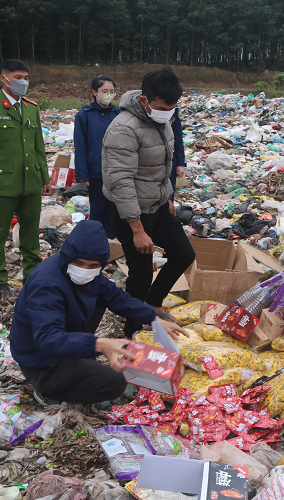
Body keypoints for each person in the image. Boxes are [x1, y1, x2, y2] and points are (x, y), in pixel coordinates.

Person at [10, 220, 189, 405]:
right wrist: (99, 344)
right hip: (40, 358)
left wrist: (153, 318)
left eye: (93, 265)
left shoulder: (90, 276)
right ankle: (49, 390)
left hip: (63, 338)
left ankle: (79, 359)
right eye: (79, 263)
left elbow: (115, 297)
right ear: (68, 256)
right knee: (113, 383)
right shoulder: (47, 284)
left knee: (99, 299)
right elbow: (47, 338)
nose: (85, 270)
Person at [102, 68, 196, 336]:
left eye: (172, 107)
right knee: (140, 274)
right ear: (144, 100)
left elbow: (162, 165)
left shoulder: (162, 121)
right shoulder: (123, 128)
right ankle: (133, 330)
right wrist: (137, 229)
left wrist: (167, 197)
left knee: (184, 254)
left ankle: (152, 304)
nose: (168, 112)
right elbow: (120, 181)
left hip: (157, 204)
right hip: (131, 212)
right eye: (162, 107)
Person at [0, 59, 52, 293]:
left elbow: (38, 148)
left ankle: (33, 276)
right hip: (2, 183)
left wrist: (44, 178)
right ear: (3, 79)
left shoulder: (31, 107)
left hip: (32, 183)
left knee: (30, 233)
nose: (23, 82)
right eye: (18, 78)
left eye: (26, 78)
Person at [74, 75, 121, 239]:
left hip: (116, 170)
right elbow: (80, 146)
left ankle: (110, 243)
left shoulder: (117, 113)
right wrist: (82, 174)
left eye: (112, 91)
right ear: (95, 92)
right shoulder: (84, 115)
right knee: (98, 208)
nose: (108, 95)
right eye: (104, 91)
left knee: (113, 210)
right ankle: (92, 241)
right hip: (96, 170)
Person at [169, 107, 186, 198]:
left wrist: (180, 163)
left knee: (169, 194)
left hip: (171, 161)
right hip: (150, 164)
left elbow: (178, 138)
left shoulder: (173, 111)